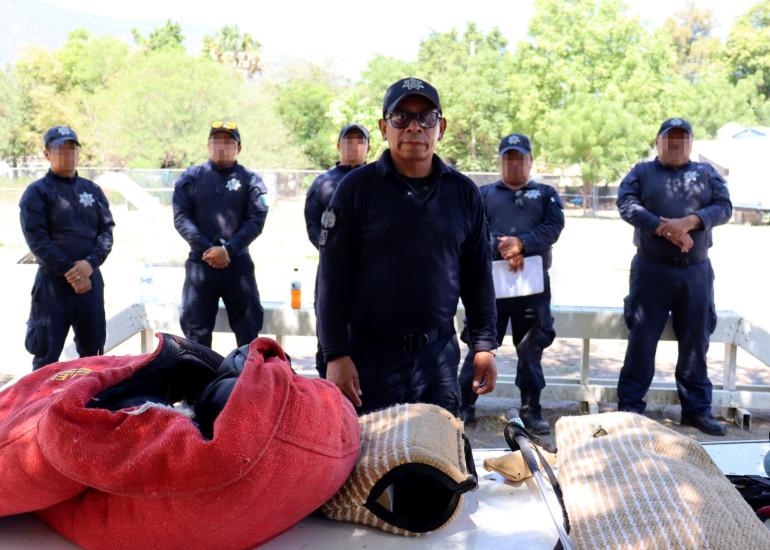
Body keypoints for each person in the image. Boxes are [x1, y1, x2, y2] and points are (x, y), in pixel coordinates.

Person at [317, 77, 498, 416]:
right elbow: (332, 278)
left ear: (441, 128)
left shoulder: (463, 193)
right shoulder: (357, 189)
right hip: (367, 360)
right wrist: (335, 354)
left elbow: (478, 276)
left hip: (437, 361)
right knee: (366, 450)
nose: (414, 127)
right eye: (401, 117)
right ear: (383, 127)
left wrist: (484, 344)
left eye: (426, 117)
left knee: (438, 448)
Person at [616, 117, 732, 436]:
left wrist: (691, 221)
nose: (676, 144)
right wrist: (662, 227)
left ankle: (696, 411)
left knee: (696, 341)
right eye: (670, 138)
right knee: (641, 340)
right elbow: (626, 204)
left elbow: (724, 207)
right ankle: (630, 409)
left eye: (683, 138)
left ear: (691, 143)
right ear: (658, 142)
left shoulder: (706, 173)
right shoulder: (642, 172)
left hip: (695, 272)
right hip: (651, 270)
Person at [458, 133, 564, 433]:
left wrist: (523, 243)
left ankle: (531, 408)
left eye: (520, 158)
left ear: (530, 161)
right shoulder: (483, 194)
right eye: (508, 158)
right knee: (479, 346)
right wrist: (502, 247)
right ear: (501, 161)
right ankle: (465, 405)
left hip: (532, 290)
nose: (514, 163)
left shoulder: (545, 194)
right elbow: (473, 229)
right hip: (489, 288)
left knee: (530, 351)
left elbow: (553, 227)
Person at [19, 126, 115, 369]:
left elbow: (106, 232)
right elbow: (37, 239)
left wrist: (90, 264)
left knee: (93, 355)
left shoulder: (92, 190)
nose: (67, 154)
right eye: (60, 149)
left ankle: (88, 394)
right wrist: (70, 271)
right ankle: (43, 396)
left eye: (72, 148)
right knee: (46, 356)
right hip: (53, 285)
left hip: (90, 282)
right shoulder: (37, 193)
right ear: (46, 154)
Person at [173, 120, 268, 348]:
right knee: (195, 332)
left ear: (239, 148)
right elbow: (181, 218)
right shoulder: (191, 178)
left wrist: (228, 250)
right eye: (216, 141)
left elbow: (256, 220)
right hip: (200, 264)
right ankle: (200, 372)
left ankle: (246, 370)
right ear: (208, 146)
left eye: (228, 142)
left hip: (238, 264)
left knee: (248, 329)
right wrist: (208, 249)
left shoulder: (250, 180)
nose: (221, 146)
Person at [305, 123, 370, 377]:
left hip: (372, 274)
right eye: (348, 140)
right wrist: (333, 251)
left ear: (368, 147)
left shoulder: (378, 180)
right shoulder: (323, 183)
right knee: (329, 335)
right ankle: (327, 387)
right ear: (338, 145)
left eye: (359, 141)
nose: (353, 146)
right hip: (332, 272)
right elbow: (313, 224)